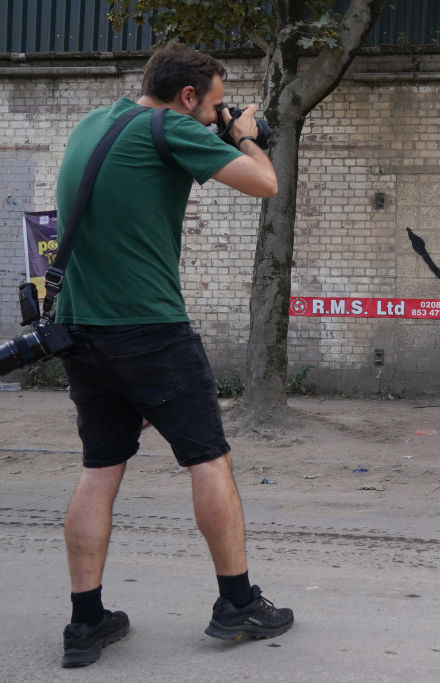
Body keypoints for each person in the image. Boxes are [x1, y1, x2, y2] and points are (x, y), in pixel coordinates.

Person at [54, 44, 292, 668]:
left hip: (79, 328)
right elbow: (266, 184)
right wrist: (244, 136)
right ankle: (238, 604)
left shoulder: (93, 123)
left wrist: (219, 125)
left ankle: (85, 625)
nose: (217, 114)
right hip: (149, 331)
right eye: (214, 104)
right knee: (209, 461)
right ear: (188, 98)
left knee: (100, 468)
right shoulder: (170, 128)